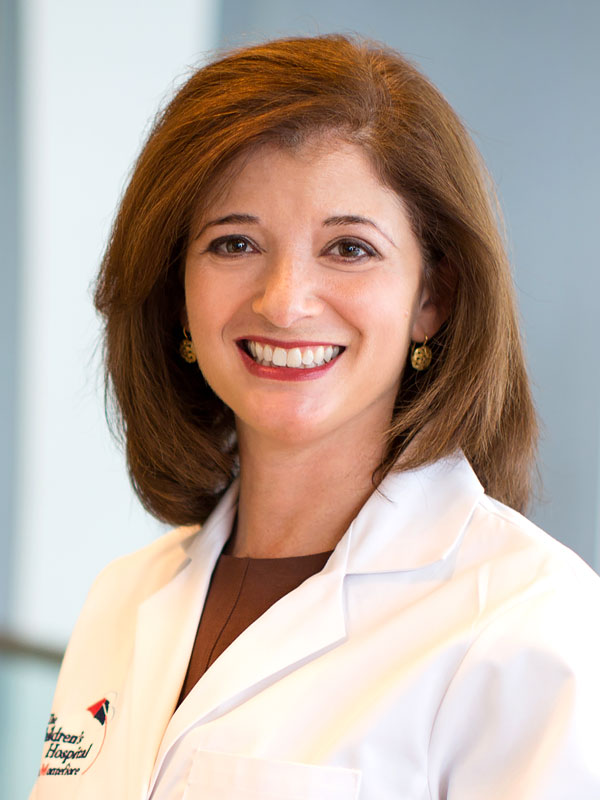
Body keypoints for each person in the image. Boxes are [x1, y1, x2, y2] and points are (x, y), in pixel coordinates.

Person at [31, 34, 600, 799]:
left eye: (349, 249)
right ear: (176, 291)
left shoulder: (528, 624)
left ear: (431, 299)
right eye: (235, 243)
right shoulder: (122, 599)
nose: (284, 301)